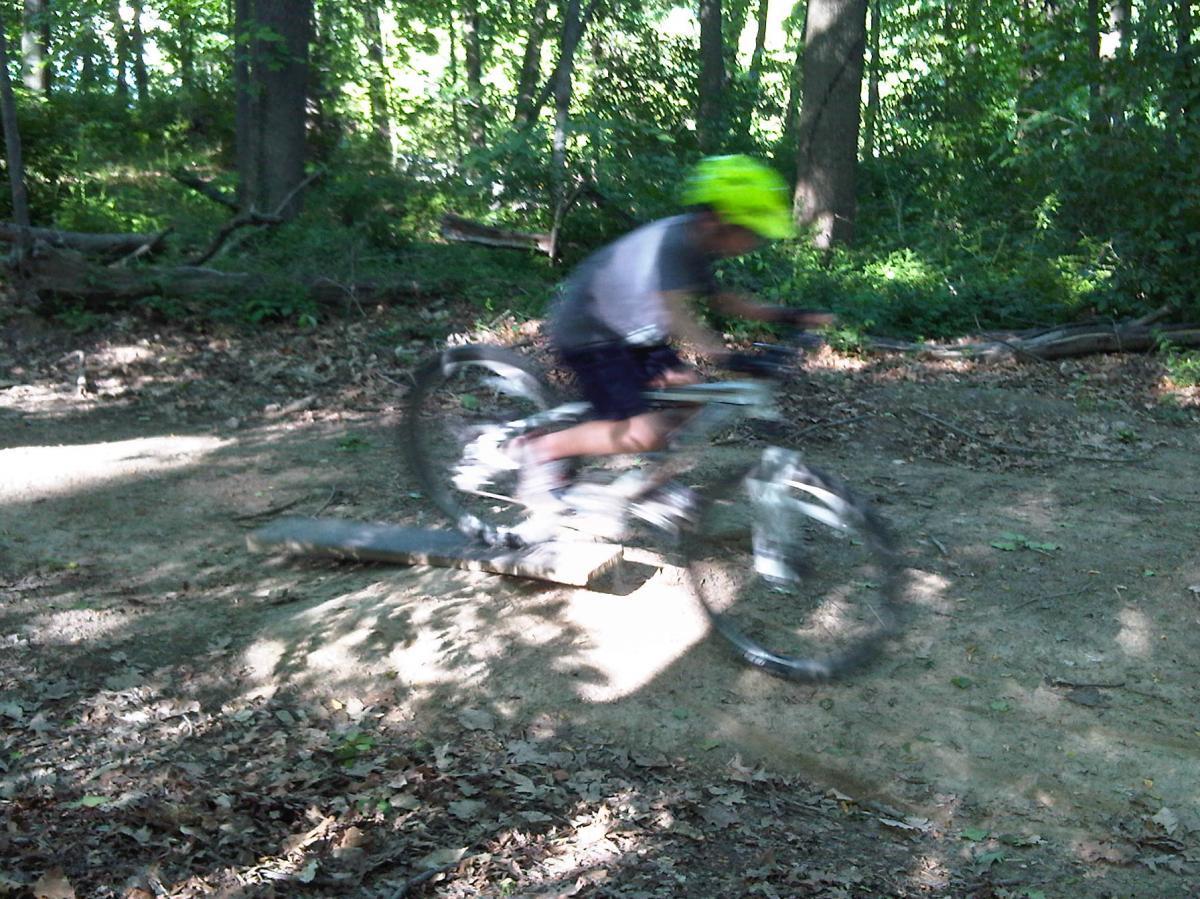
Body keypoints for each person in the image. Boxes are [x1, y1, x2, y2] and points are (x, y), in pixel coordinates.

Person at [505, 155, 834, 509]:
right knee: (643, 433)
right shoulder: (674, 243)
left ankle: (651, 480)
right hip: (592, 332)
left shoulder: (699, 243)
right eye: (751, 231)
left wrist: (791, 316)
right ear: (719, 220)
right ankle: (540, 451)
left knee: (691, 393)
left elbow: (724, 302)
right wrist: (725, 355)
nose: (755, 241)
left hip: (632, 332)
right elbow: (677, 314)